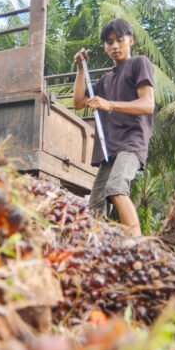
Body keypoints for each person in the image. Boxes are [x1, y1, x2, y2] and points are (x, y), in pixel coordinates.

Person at [73, 18, 155, 237]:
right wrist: (81, 69)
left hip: (131, 143)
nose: (115, 46)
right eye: (109, 42)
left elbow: (147, 104)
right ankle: (98, 250)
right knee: (95, 205)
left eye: (119, 40)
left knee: (117, 188)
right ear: (104, 47)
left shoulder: (139, 63)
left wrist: (109, 104)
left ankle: (138, 247)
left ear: (131, 40)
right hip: (109, 150)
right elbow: (79, 103)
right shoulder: (105, 80)